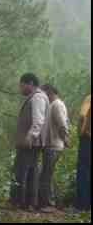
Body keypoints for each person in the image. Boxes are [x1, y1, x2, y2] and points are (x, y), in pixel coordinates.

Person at [12, 73, 48, 211]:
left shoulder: (37, 97)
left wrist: (30, 137)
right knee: (31, 172)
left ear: (30, 84)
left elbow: (38, 121)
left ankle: (21, 202)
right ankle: (28, 203)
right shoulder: (37, 97)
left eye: (22, 85)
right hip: (32, 142)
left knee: (22, 172)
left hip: (30, 143)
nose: (20, 89)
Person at [38, 84, 70, 212]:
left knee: (46, 175)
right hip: (50, 145)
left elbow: (62, 124)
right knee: (47, 174)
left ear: (50, 92)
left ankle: (48, 204)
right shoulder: (52, 104)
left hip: (54, 146)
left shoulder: (57, 104)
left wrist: (66, 139)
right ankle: (49, 202)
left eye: (44, 93)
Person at [77, 94, 91, 211]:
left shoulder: (89, 98)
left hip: (88, 140)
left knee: (84, 171)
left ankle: (83, 205)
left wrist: (82, 132)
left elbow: (83, 116)